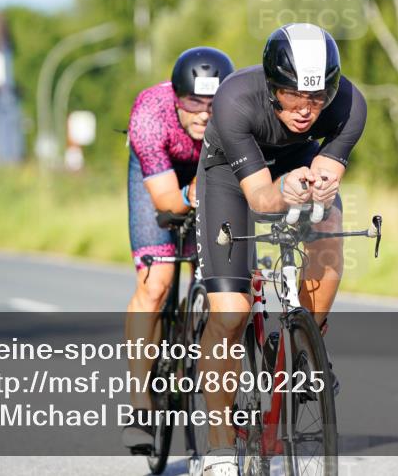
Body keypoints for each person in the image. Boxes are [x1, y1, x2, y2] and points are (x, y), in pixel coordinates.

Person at [194, 23, 367, 475]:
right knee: (230, 312)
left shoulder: (348, 104)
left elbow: (327, 165)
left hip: (297, 162)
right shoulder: (235, 101)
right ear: (272, 86)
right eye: (293, 97)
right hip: (230, 177)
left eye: (317, 98)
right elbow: (261, 201)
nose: (306, 110)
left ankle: (306, 343)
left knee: (329, 226)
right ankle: (218, 445)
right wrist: (283, 192)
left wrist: (321, 184)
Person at [121, 46, 235, 453]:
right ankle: (140, 405)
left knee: (226, 282)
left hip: (210, 171)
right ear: (176, 97)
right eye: (194, 103)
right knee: (157, 281)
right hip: (160, 175)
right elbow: (169, 202)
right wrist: (193, 193)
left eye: (214, 104)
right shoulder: (151, 115)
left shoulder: (236, 114)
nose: (205, 113)